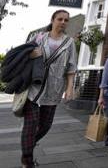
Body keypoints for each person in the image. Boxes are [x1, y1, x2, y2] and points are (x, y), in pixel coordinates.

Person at [21, 10, 77, 168]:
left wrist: (70, 88)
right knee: (30, 124)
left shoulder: (69, 43)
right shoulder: (39, 37)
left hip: (54, 89)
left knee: (45, 126)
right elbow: (23, 54)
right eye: (60, 19)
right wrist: (31, 54)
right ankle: (27, 160)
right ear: (52, 20)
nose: (63, 22)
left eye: (66, 20)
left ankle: (28, 145)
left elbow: (71, 67)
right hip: (34, 88)